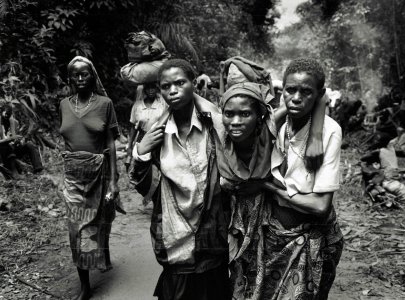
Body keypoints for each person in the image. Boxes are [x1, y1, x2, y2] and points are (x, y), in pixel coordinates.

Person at [132, 59, 230, 300]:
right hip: (175, 236)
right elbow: (144, 186)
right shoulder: (157, 132)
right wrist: (141, 151)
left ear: (193, 84)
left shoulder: (214, 123)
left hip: (213, 234)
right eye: (166, 86)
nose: (173, 90)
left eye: (180, 83)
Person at [217, 82, 326, 299]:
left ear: (259, 116)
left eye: (245, 114)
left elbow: (319, 98)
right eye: (229, 114)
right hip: (239, 222)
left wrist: (315, 137)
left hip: (274, 222)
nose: (236, 121)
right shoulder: (220, 139)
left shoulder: (269, 130)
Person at [261, 58, 344, 299]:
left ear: (318, 95)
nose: (296, 97)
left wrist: (271, 188)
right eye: (290, 90)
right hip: (273, 236)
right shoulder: (273, 124)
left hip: (310, 236)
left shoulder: (329, 131)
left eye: (306, 92)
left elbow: (320, 205)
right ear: (281, 91)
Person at [59, 56, 120, 300]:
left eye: (85, 74)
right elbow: (65, 139)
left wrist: (114, 180)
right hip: (73, 176)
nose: (81, 78)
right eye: (76, 74)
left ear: (92, 77)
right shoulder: (64, 104)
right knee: (76, 228)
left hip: (98, 174)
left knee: (98, 222)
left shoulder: (105, 104)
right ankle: (85, 284)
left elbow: (111, 143)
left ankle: (100, 255)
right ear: (70, 78)